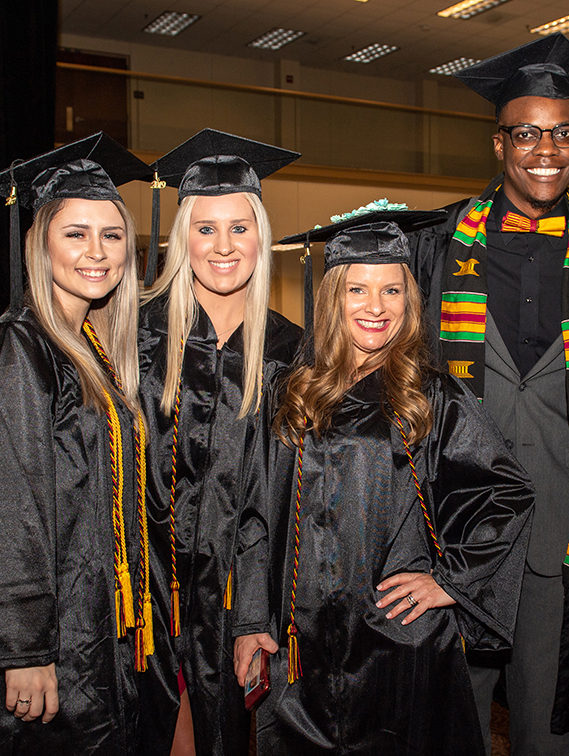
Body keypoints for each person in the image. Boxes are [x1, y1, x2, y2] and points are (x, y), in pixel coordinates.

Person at [407, 32, 569, 755]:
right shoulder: (439, 246)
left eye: (564, 133)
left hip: (561, 526)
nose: (548, 149)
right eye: (528, 133)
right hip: (457, 523)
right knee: (455, 719)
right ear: (499, 143)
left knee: (547, 725)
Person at [233, 211, 536, 755]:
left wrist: (451, 582)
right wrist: (252, 618)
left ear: (409, 300)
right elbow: (255, 513)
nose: (375, 307)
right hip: (300, 647)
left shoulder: (431, 397)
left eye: (391, 289)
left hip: (399, 644)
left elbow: (506, 494)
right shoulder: (289, 393)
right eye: (358, 289)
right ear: (332, 298)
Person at [137, 129, 302, 756]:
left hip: (244, 600)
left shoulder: (292, 351)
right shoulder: (140, 337)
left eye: (240, 226)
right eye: (205, 228)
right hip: (150, 590)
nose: (224, 246)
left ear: (262, 237)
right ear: (183, 239)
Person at [0, 133, 151, 754]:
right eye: (76, 233)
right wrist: (25, 649)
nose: (97, 252)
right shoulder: (22, 347)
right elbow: (16, 505)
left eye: (112, 235)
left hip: (97, 627)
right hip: (54, 640)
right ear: (41, 245)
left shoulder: (90, 346)